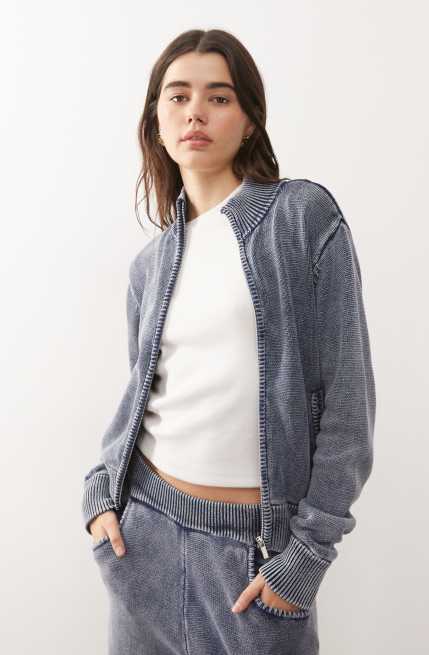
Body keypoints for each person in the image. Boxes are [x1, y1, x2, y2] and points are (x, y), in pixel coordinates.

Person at [82, 28, 376, 655]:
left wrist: (308, 553)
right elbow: (142, 395)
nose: (195, 112)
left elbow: (349, 399)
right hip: (143, 540)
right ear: (156, 122)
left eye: (219, 97)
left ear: (249, 122)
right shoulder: (150, 265)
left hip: (256, 557)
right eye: (178, 96)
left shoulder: (300, 218)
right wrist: (102, 495)